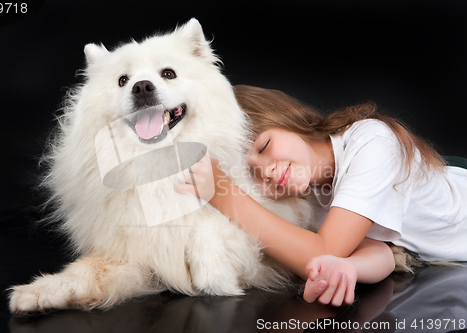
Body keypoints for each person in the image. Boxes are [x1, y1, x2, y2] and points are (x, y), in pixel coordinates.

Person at [176, 85, 467, 306]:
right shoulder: (307, 200)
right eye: (251, 174)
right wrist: (347, 268)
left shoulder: (372, 142)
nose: (267, 171)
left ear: (286, 120)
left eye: (264, 146)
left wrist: (223, 194)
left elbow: (323, 249)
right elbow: (380, 253)